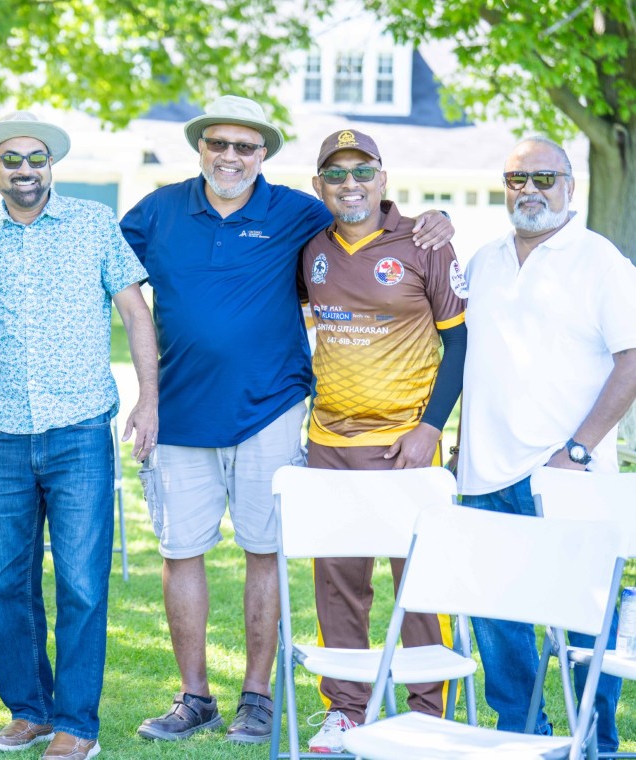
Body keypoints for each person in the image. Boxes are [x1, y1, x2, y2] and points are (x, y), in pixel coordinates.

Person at [120, 95, 453, 745]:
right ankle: (194, 697)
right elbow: (100, 261)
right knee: (181, 552)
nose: (230, 156)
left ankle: (258, 698)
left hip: (271, 410)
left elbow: (368, 217)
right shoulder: (158, 210)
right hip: (179, 412)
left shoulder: (298, 212)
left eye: (245, 146)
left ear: (263, 155)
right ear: (200, 148)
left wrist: (434, 220)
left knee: (265, 551)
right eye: (218, 143)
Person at [0, 112, 158, 760]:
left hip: (79, 433)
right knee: (5, 587)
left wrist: (148, 400)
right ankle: (30, 712)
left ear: (51, 166)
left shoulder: (93, 224)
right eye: (11, 159)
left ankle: (77, 724)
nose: (25, 169)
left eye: (36, 158)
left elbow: (135, 312)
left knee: (81, 585)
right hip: (5, 436)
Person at [457, 136, 636, 754]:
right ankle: (521, 734)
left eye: (543, 178)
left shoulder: (600, 261)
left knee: (586, 621)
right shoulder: (483, 261)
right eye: (517, 179)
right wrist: (460, 446)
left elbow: (633, 358)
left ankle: (596, 741)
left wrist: (578, 452)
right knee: (497, 615)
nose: (529, 190)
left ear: (569, 186)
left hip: (568, 476)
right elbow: (476, 361)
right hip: (483, 473)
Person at [298, 129, 467, 752]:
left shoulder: (425, 242)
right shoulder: (310, 246)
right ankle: (346, 710)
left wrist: (431, 427)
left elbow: (460, 342)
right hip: (329, 441)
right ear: (320, 186)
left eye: (362, 171)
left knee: (421, 582)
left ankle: (428, 714)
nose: (351, 184)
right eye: (336, 174)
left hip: (405, 444)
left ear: (383, 178)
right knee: (338, 581)